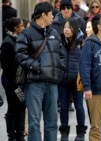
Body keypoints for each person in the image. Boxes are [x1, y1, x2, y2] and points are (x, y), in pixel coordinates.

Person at [15, 2, 65, 141]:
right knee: (34, 122)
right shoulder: (27, 33)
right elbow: (20, 54)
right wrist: (37, 66)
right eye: (51, 14)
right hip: (34, 84)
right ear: (43, 15)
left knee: (52, 122)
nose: (53, 17)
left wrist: (60, 68)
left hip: (52, 83)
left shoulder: (54, 32)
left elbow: (61, 54)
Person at [58, 18, 87, 141]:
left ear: (74, 29)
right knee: (63, 107)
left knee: (79, 106)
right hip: (62, 80)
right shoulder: (59, 41)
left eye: (69, 27)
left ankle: (81, 132)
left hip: (77, 80)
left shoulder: (82, 43)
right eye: (65, 27)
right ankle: (64, 132)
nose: (66, 30)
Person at [1, 17, 26, 141]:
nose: (23, 27)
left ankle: (19, 132)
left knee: (20, 104)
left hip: (17, 80)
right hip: (11, 81)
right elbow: (5, 65)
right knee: (13, 105)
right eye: (21, 25)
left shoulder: (17, 40)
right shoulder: (8, 42)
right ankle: (12, 134)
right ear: (16, 28)